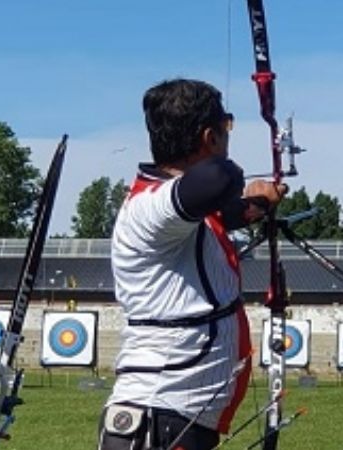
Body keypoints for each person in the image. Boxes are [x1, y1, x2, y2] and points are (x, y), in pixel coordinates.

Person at [97, 78, 287, 450]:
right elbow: (219, 179)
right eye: (226, 128)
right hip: (157, 421)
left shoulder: (183, 214)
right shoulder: (149, 206)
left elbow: (221, 214)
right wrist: (240, 179)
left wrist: (260, 202)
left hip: (171, 423)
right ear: (209, 138)